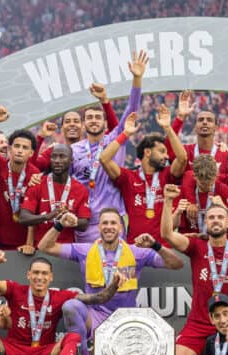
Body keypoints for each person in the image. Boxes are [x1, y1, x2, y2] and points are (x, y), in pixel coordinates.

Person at [37, 207, 183, 355]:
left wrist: (156, 246)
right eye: (104, 223)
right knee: (71, 306)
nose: (109, 226)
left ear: (121, 227)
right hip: (96, 315)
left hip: (125, 317)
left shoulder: (137, 252)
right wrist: (59, 225)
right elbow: (45, 247)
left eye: (113, 223)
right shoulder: (84, 250)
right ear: (98, 227)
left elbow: (176, 264)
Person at [0, 250, 124, 355]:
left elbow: (98, 298)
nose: (40, 277)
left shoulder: (60, 297)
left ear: (51, 277)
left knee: (73, 337)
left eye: (44, 273)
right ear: (29, 275)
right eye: (36, 273)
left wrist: (114, 285)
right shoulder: (15, 290)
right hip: (13, 353)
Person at [161, 184, 228, 355]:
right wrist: (168, 201)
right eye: (211, 217)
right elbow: (167, 234)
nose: (215, 220)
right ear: (206, 223)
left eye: (220, 217)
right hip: (197, 324)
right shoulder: (196, 246)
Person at [68, 51, 147, 243]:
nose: (94, 121)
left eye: (98, 118)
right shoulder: (74, 149)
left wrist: (136, 79)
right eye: (89, 118)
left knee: (117, 270)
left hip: (113, 220)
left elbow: (132, 111)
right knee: (88, 270)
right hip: (85, 222)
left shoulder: (115, 139)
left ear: (105, 122)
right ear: (83, 123)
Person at [100, 106, 187, 244]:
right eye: (162, 151)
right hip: (135, 247)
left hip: (163, 248)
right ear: (147, 152)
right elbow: (104, 159)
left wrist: (168, 128)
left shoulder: (167, 175)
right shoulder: (128, 177)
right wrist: (125, 134)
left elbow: (182, 158)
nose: (166, 156)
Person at [0, 106, 40, 252]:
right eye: (17, 146)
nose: (20, 150)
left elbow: (35, 212)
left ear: (31, 152)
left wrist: (29, 243)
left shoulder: (35, 174)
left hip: (24, 241)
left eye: (25, 148)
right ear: (9, 149)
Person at [19, 144, 90, 245]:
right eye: (54, 156)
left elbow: (84, 224)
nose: (57, 160)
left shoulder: (80, 189)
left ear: (71, 160)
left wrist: (69, 219)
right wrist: (47, 216)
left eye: (62, 156)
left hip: (65, 249)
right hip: (40, 248)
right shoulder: (37, 184)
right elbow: (23, 218)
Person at [174, 155, 228, 234]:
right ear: (194, 176)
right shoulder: (185, 190)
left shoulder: (223, 189)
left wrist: (223, 207)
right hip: (190, 239)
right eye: (203, 184)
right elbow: (172, 227)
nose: (208, 187)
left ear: (216, 175)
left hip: (215, 240)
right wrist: (178, 212)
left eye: (211, 183)